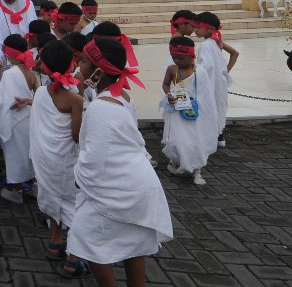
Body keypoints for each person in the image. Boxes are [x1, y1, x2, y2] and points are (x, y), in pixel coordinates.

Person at [70, 37, 173, 285]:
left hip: (120, 188)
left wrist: (79, 179)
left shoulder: (100, 108)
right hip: (136, 184)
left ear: (98, 71)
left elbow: (94, 160)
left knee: (87, 239)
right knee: (133, 245)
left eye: (83, 61)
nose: (78, 65)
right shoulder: (123, 95)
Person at [28, 40, 84, 273]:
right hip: (66, 162)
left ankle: (54, 243)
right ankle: (73, 258)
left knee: (52, 198)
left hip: (44, 161)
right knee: (74, 206)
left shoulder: (41, 92)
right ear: (71, 65)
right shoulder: (75, 99)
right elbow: (76, 135)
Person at [161, 36, 217, 185]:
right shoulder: (172, 69)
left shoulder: (200, 72)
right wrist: (169, 95)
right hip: (176, 112)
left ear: (192, 57)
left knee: (194, 142)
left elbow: (206, 96)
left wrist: (195, 104)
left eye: (180, 58)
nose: (177, 61)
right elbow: (165, 84)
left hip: (194, 115)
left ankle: (197, 170)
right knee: (175, 140)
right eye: (174, 57)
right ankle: (175, 162)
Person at [0, 34, 39, 204]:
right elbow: (39, 94)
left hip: (14, 120)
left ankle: (16, 191)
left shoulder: (9, 74)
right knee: (29, 154)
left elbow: (3, 100)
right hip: (29, 119)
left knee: (16, 156)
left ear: (10, 54)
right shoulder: (31, 72)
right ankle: (34, 186)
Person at [194, 12, 238, 148]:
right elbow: (235, 53)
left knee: (208, 107)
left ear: (211, 29)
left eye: (198, 27)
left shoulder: (206, 45)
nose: (195, 30)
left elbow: (205, 67)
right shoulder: (216, 42)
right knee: (219, 106)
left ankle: (209, 137)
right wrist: (225, 72)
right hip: (220, 83)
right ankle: (219, 135)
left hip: (210, 84)